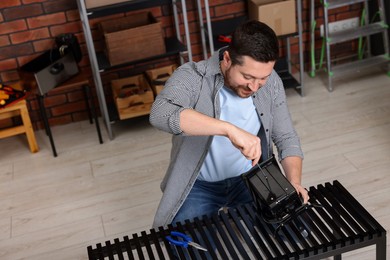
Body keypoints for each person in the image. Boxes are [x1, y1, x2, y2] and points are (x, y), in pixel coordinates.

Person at [149, 20, 309, 228]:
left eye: (262, 78)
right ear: (227, 59)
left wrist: (293, 182)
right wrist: (229, 130)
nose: (254, 86)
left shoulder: (271, 83)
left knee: (293, 233)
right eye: (247, 77)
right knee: (187, 250)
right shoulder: (192, 76)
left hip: (252, 178)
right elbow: (160, 113)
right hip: (200, 185)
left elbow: (287, 138)